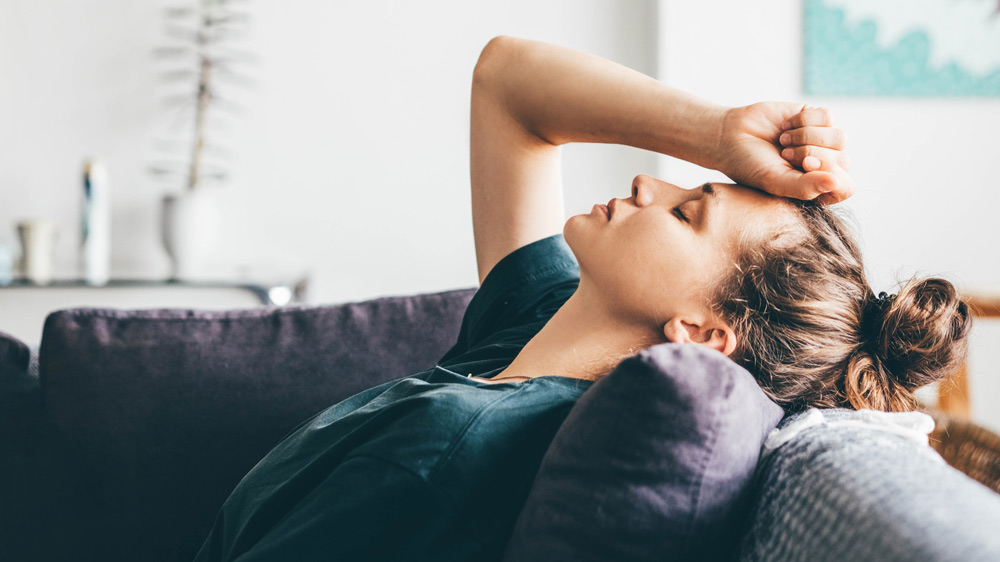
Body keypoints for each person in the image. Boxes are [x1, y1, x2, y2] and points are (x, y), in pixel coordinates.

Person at [194, 36, 971, 561]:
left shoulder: (454, 443)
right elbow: (507, 80)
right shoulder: (533, 330)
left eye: (686, 210)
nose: (647, 180)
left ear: (700, 333)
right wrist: (720, 132)